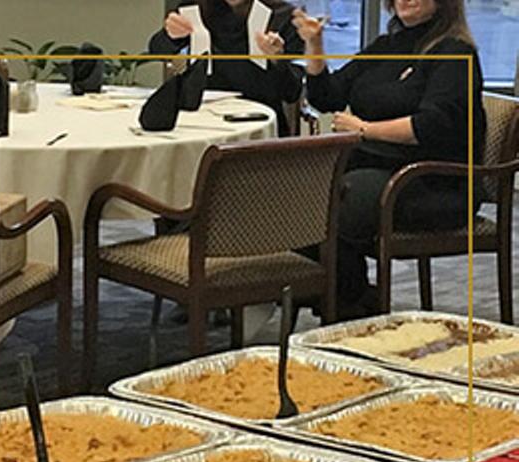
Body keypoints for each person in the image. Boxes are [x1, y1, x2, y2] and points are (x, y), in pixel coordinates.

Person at [297, 0, 485, 318]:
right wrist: (314, 44)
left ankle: (349, 307)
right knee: (302, 192)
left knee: (338, 202)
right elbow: (327, 96)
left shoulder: (455, 53)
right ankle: (346, 299)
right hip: (381, 167)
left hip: (434, 181)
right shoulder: (387, 46)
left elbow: (430, 126)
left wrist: (365, 129)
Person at [149, 0, 305, 134]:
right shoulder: (196, 7)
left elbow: (292, 91)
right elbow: (157, 51)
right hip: (203, 120)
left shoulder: (283, 16)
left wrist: (278, 60)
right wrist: (170, 35)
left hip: (261, 122)